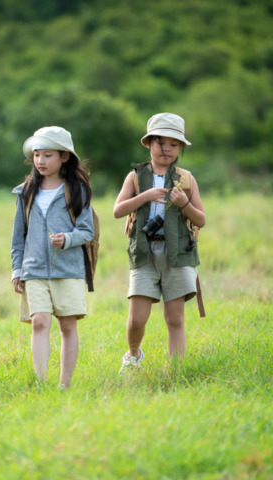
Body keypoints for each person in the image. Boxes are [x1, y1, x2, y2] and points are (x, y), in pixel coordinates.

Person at [113, 113, 205, 371]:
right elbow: (118, 211)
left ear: (180, 148)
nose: (166, 148)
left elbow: (201, 219)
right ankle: (133, 356)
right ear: (149, 143)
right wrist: (145, 196)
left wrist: (183, 203)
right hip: (144, 251)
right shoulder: (134, 176)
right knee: (137, 318)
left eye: (173, 144)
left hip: (178, 253)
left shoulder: (186, 179)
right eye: (160, 142)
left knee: (174, 318)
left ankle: (177, 372)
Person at [10, 126, 94, 389]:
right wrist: (16, 270)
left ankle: (65, 385)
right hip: (34, 269)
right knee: (39, 321)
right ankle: (41, 383)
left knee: (68, 326)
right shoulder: (25, 191)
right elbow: (18, 236)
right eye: (37, 155)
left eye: (48, 155)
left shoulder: (77, 189)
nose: (40, 161)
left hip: (69, 269)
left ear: (64, 157)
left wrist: (66, 239)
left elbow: (87, 231)